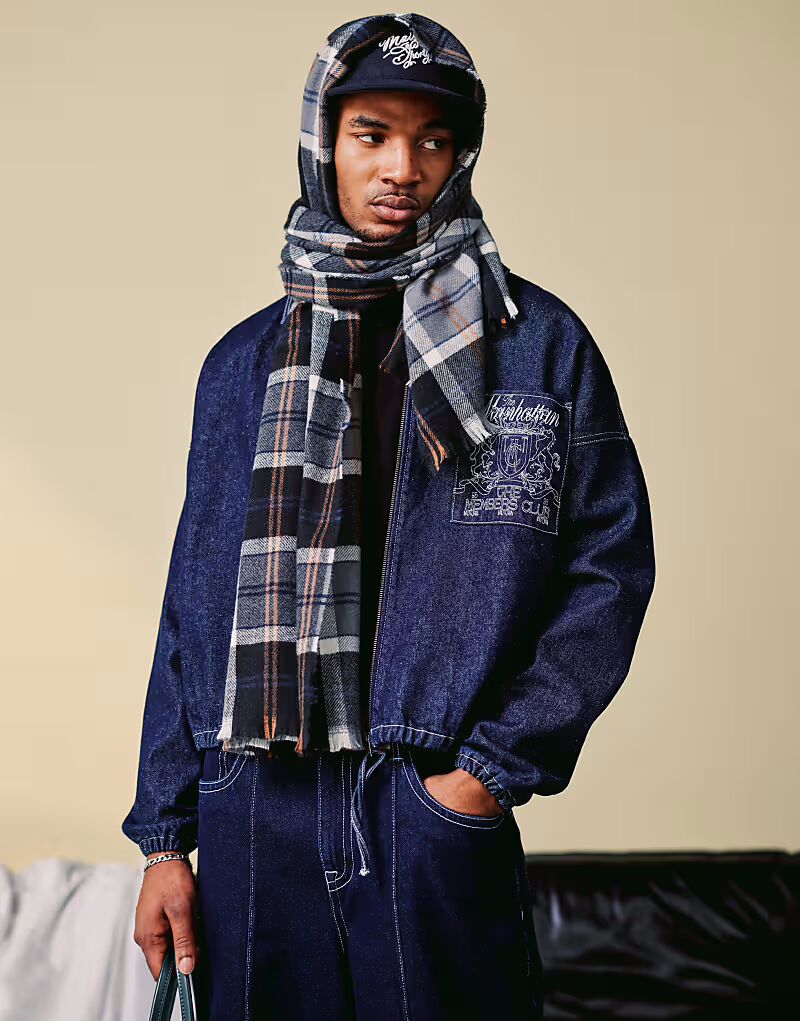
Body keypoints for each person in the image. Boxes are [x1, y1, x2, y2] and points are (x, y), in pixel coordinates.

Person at [122, 13, 656, 1020]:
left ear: (461, 156)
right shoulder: (241, 365)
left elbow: (608, 571)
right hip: (256, 807)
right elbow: (189, 609)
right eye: (371, 133)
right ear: (324, 141)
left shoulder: (538, 346)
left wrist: (484, 774)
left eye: (432, 139)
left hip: (426, 799)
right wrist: (164, 835)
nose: (402, 167)